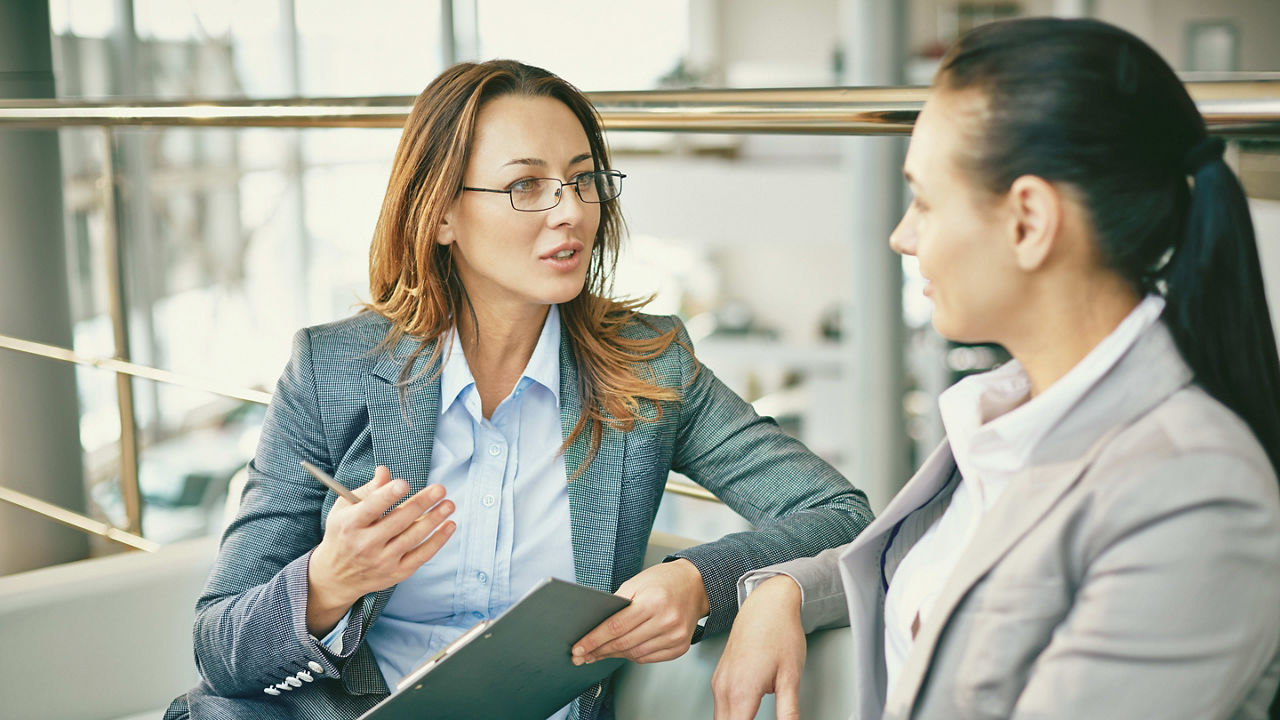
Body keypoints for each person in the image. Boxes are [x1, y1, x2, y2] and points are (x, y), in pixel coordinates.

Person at [162, 60, 871, 720]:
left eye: (583, 179)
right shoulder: (330, 369)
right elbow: (219, 646)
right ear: (441, 215)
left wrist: (699, 581)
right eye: (526, 185)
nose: (571, 211)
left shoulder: (650, 367)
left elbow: (839, 511)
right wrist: (329, 581)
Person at [712, 17, 1280, 720]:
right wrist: (786, 590)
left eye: (924, 199)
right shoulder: (1012, 418)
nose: (902, 235)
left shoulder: (1193, 492)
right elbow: (948, 575)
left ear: (1028, 222)